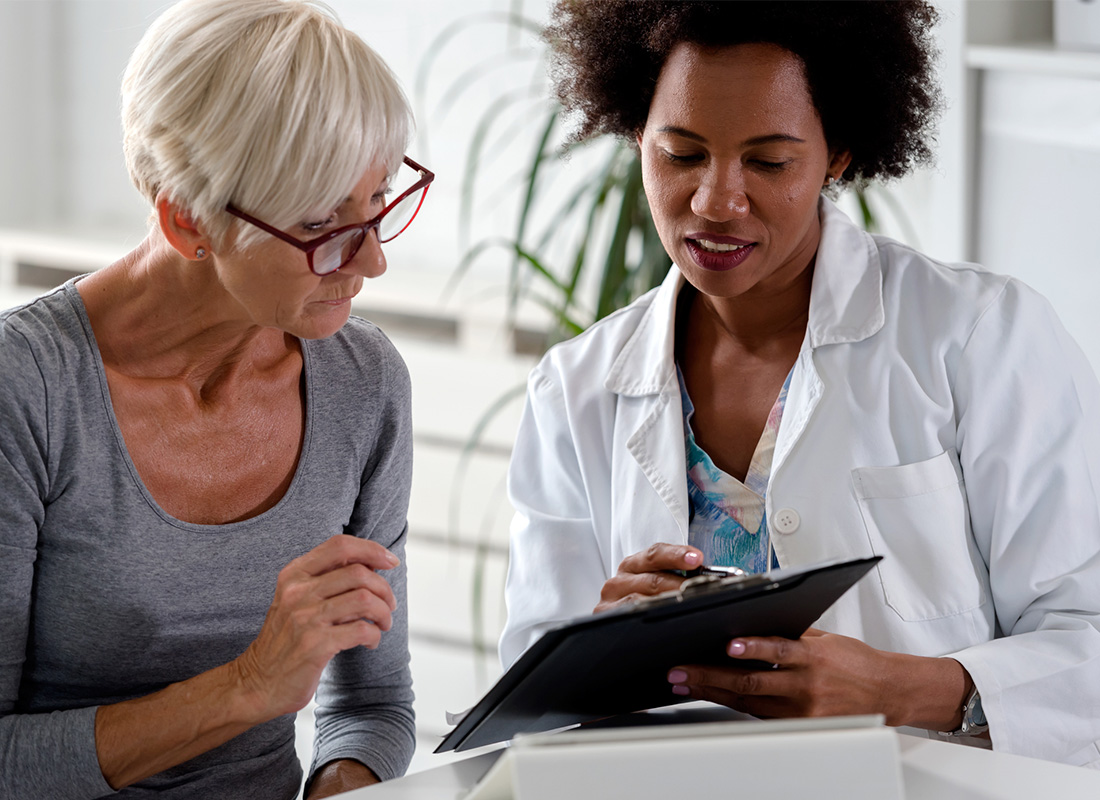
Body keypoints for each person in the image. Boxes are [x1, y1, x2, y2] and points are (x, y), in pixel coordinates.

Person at [500, 0, 1100, 769]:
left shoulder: (980, 337)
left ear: (839, 152)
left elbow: (1086, 641)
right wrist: (598, 649)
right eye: (681, 154)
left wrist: (909, 689)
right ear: (634, 137)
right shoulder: (576, 387)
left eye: (769, 162)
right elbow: (528, 706)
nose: (717, 201)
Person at [0, 1, 435, 797]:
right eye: (321, 223)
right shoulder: (25, 392)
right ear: (187, 219)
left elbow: (372, 701)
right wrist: (247, 688)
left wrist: (343, 777)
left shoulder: (363, 381)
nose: (371, 261)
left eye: (377, 202)